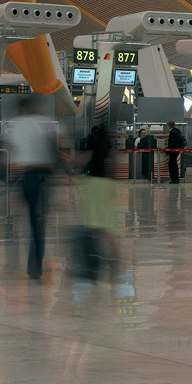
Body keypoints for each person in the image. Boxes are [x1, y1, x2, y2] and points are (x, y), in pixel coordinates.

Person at [4, 95, 67, 279]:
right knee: (39, 222)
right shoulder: (47, 123)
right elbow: (59, 144)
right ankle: (35, 265)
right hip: (42, 178)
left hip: (25, 177)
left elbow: (10, 149)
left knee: (33, 219)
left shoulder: (15, 124)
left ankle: (32, 263)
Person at [72, 119, 118, 283]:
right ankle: (114, 257)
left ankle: (100, 258)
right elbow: (113, 163)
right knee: (105, 222)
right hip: (106, 183)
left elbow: (83, 160)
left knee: (94, 223)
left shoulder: (92, 140)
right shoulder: (106, 141)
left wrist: (70, 160)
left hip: (94, 184)